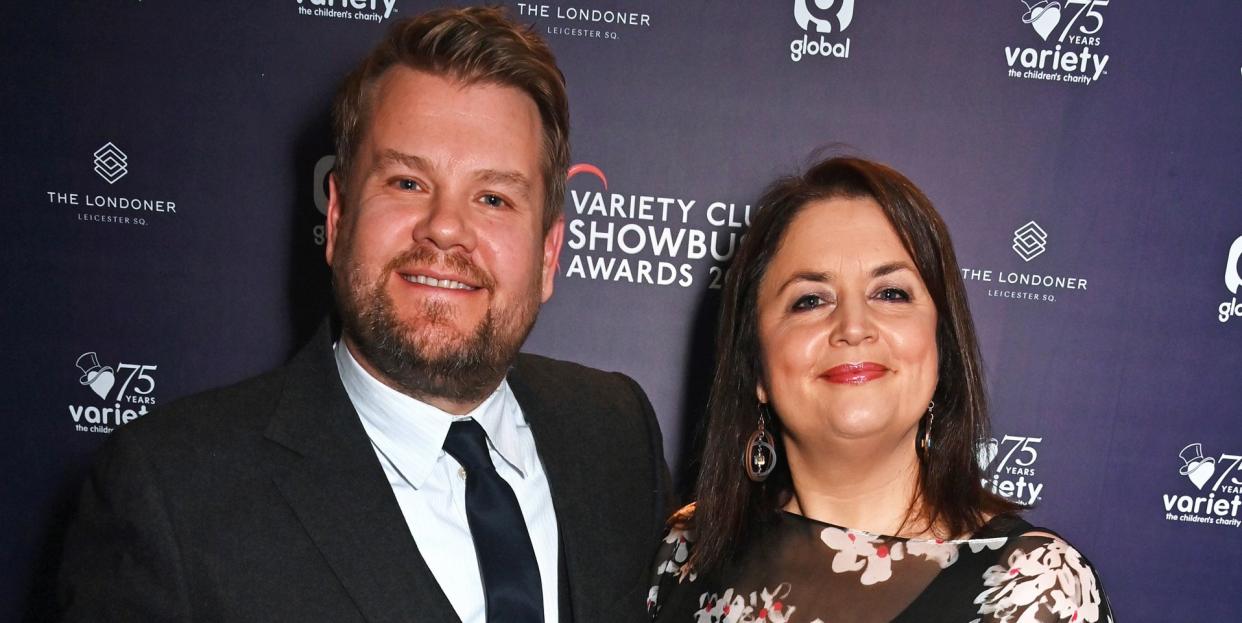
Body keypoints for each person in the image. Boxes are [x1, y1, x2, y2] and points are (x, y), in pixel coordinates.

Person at [57, 7, 669, 623]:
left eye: (493, 198)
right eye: (406, 183)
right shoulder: (171, 494)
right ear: (338, 218)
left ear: (547, 254)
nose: (446, 228)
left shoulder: (615, 432)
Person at [648, 156, 1112, 622]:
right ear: (756, 371)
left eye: (891, 294)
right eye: (810, 300)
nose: (853, 326)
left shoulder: (1036, 587)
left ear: (940, 346)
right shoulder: (685, 551)